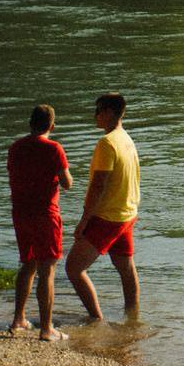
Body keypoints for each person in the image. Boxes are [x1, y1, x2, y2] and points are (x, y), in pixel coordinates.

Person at [66, 91, 140, 320]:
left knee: (73, 268)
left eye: (98, 110)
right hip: (127, 213)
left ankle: (96, 319)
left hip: (107, 217)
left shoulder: (107, 143)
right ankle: (133, 318)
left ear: (109, 112)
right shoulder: (126, 138)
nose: (95, 115)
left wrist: (84, 222)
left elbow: (98, 186)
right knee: (126, 268)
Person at [7, 103, 73, 340]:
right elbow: (67, 183)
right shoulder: (54, 149)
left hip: (21, 213)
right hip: (46, 214)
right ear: (52, 126)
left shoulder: (15, 147)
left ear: (30, 123)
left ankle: (18, 319)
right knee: (47, 269)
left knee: (28, 265)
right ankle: (47, 329)